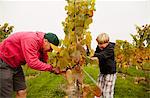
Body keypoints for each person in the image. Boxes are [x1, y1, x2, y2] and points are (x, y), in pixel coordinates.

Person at [0, 31, 61, 98]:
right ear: (46, 41)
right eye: (51, 48)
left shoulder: (42, 45)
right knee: (6, 94)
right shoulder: (30, 39)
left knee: (22, 91)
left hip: (15, 64)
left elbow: (44, 59)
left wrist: (55, 68)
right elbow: (33, 63)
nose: (51, 51)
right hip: (3, 61)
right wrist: (51, 68)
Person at [92, 33, 117, 98]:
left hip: (110, 73)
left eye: (102, 44)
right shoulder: (99, 47)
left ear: (107, 42)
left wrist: (93, 55)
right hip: (102, 72)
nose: (100, 46)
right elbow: (96, 54)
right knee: (98, 89)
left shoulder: (111, 48)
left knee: (107, 92)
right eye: (99, 44)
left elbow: (102, 55)